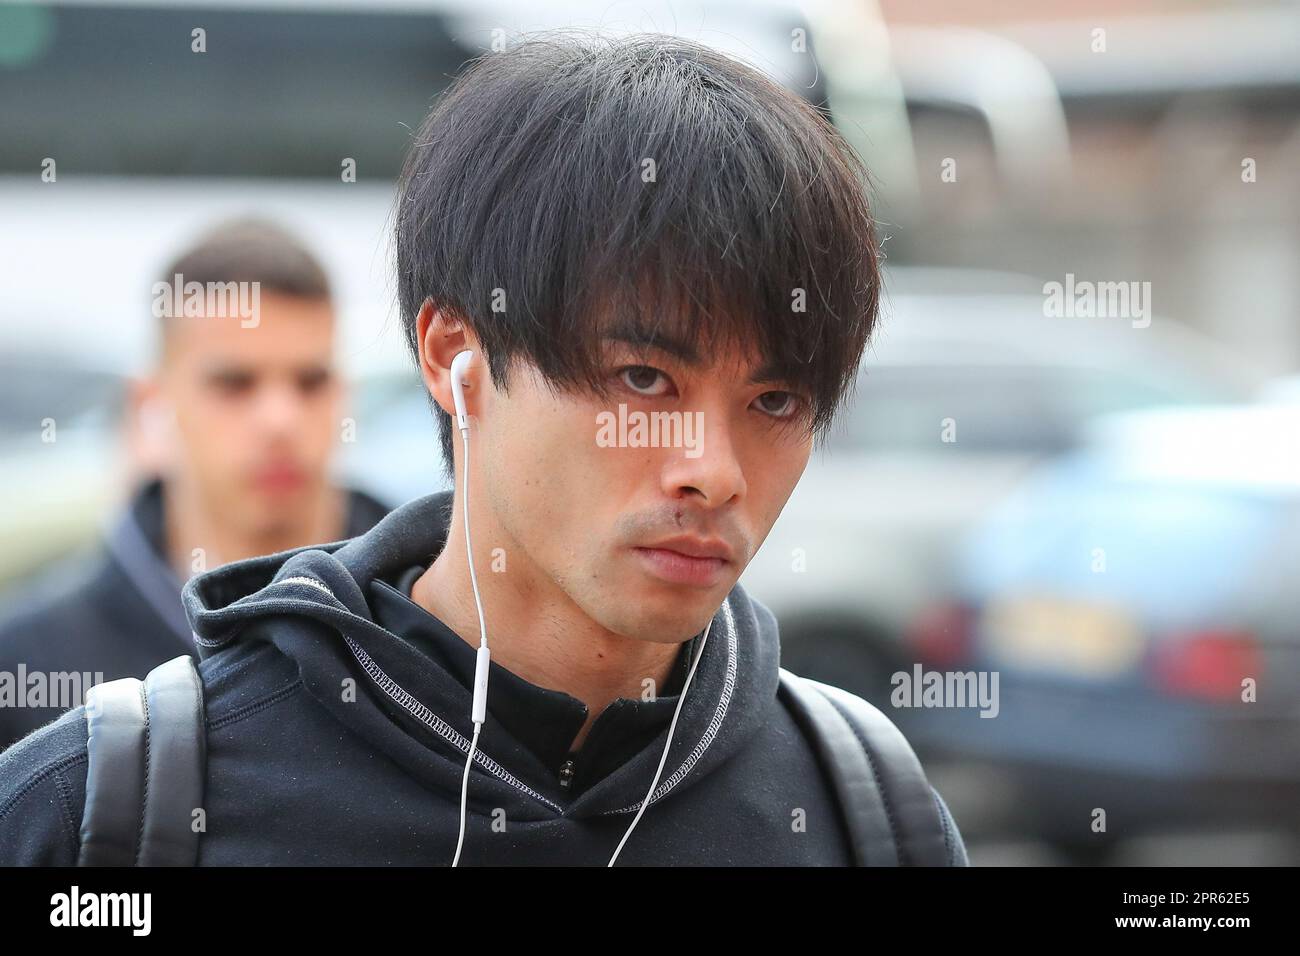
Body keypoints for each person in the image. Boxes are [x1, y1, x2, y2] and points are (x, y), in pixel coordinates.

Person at [0, 34, 967, 865]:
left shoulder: (865, 811)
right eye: (643, 379)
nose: (711, 469)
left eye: (775, 399)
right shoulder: (117, 805)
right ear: (456, 355)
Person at [0, 218, 390, 751]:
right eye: (234, 383)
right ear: (151, 402)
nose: (280, 419)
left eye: (310, 381)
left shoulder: (429, 612)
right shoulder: (27, 661)